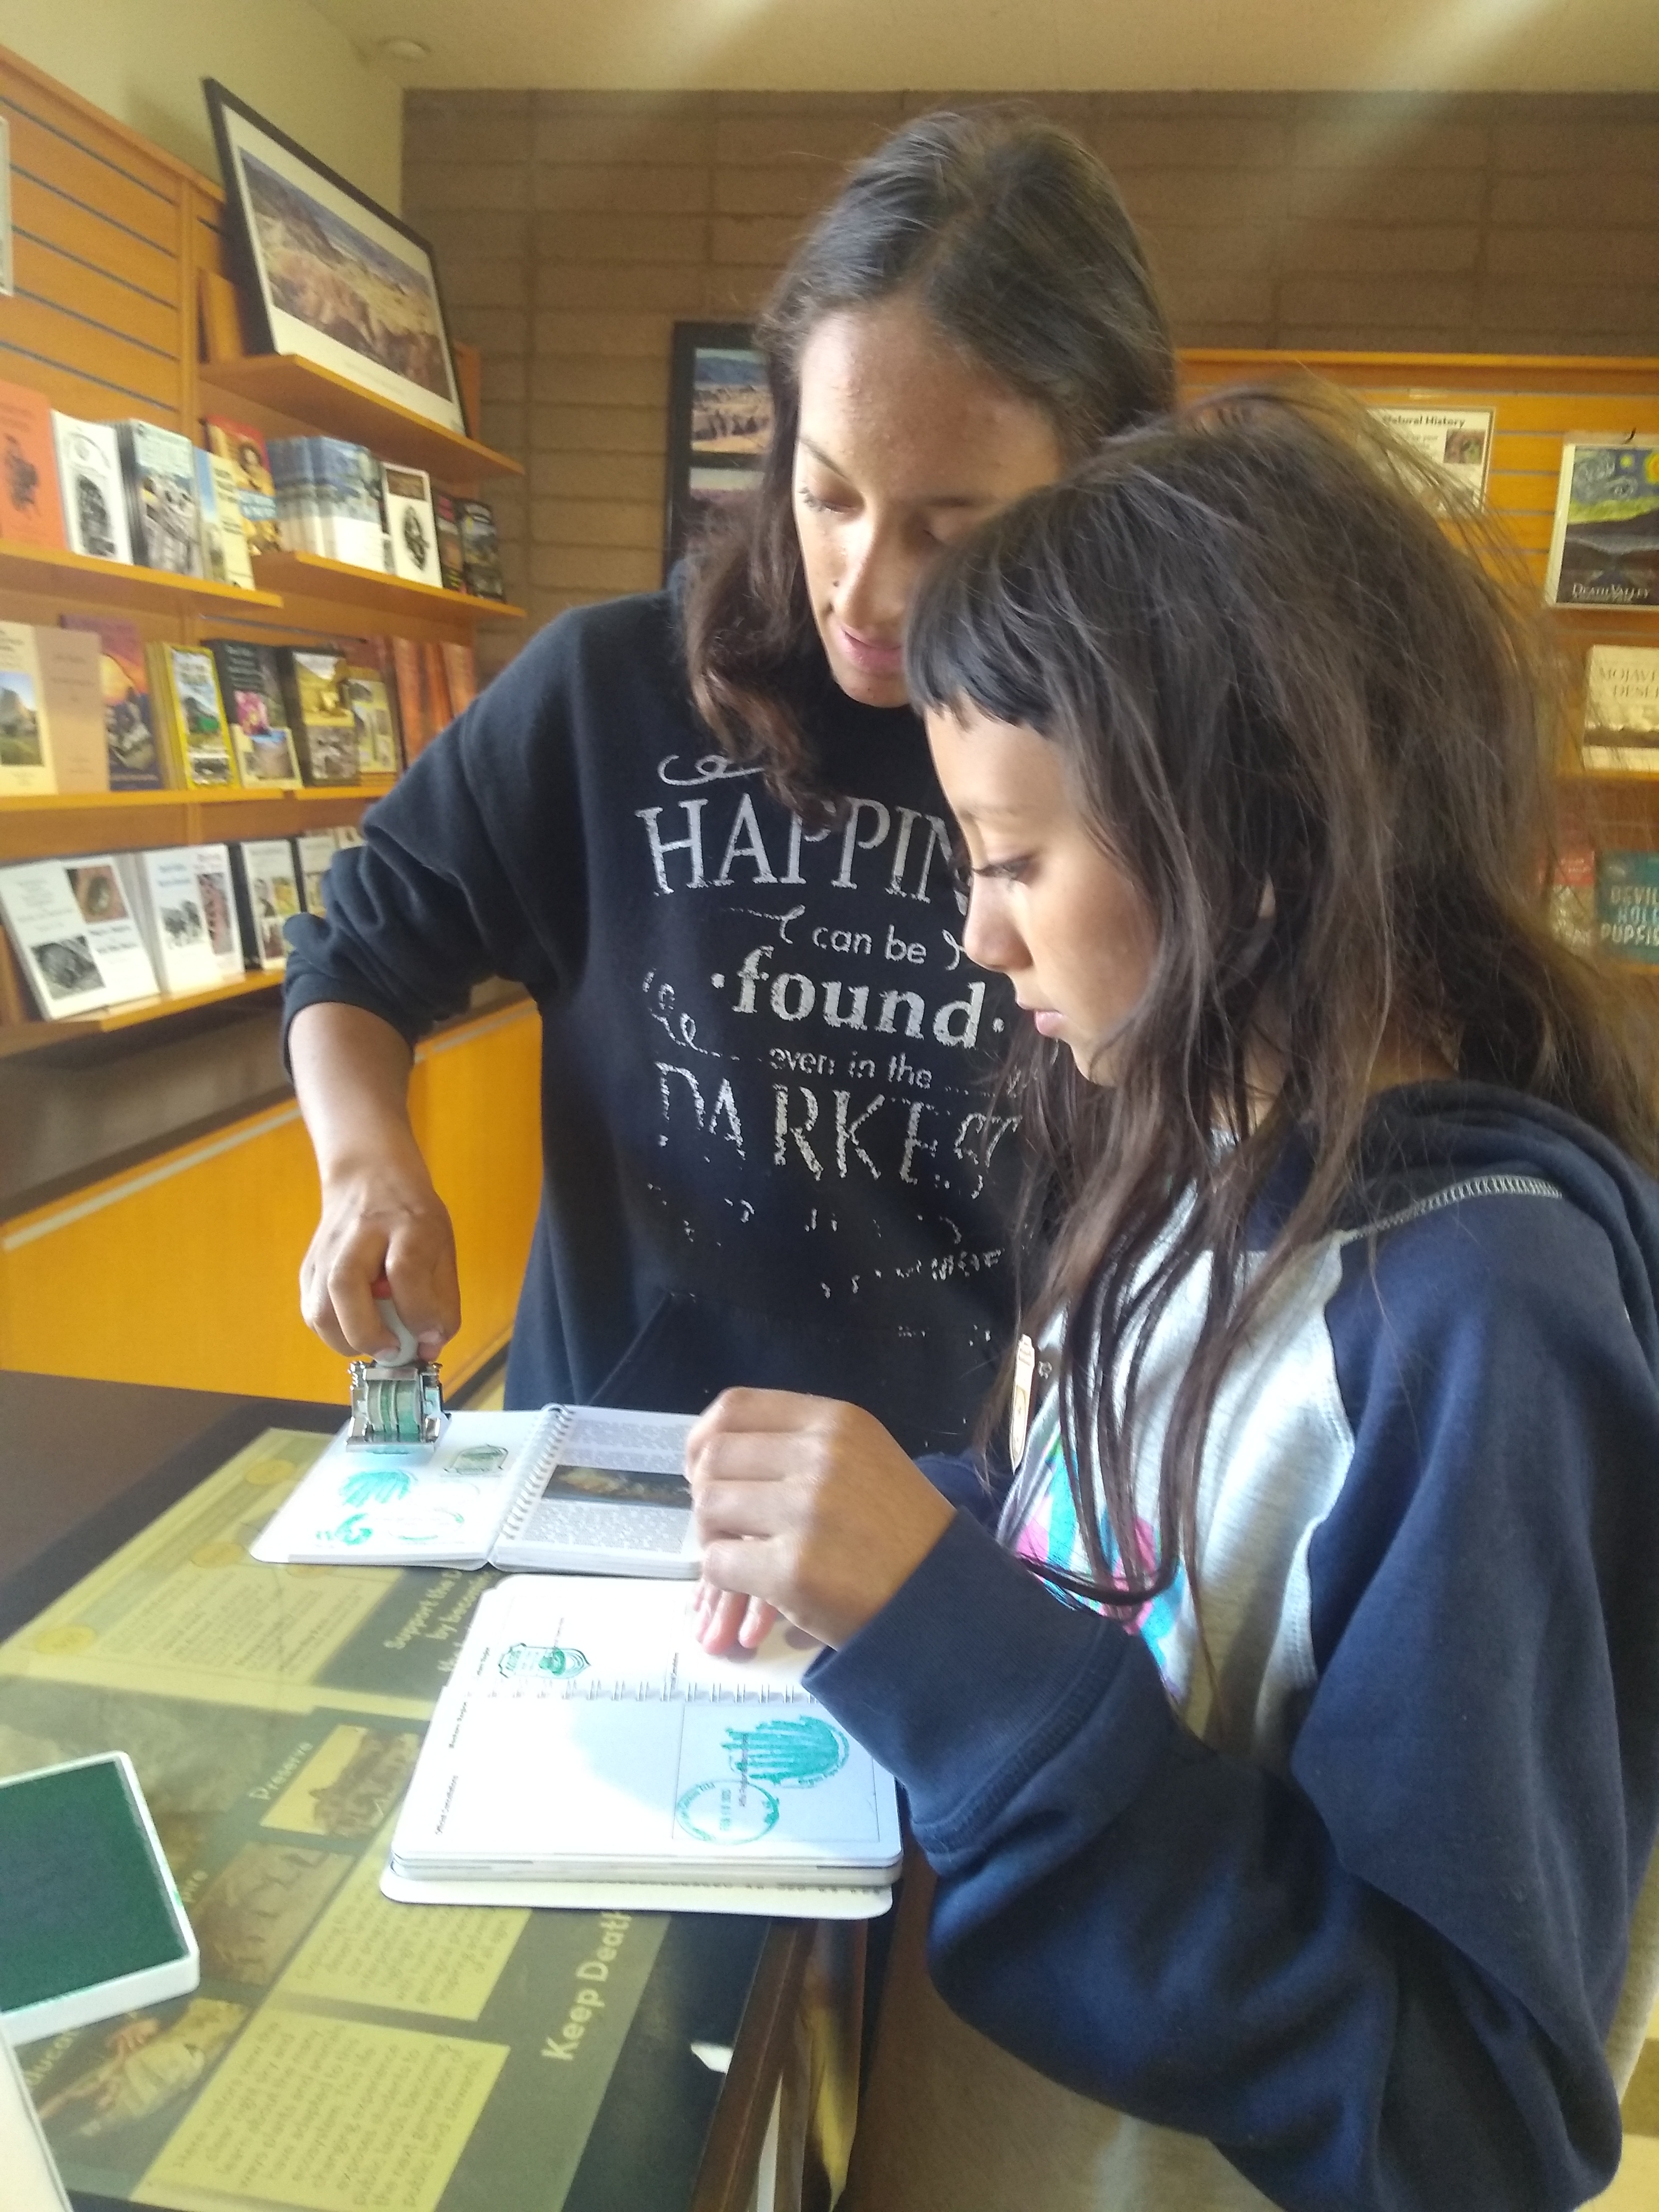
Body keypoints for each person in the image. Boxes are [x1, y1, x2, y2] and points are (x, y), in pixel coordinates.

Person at [685, 388, 1659, 2210]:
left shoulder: (1478, 1333)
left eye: (1013, 861)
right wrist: (897, 1554)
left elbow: (1471, 2127)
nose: (978, 936)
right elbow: (1143, 1583)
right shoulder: (1195, 1152)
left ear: (1253, 847)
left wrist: (949, 1644)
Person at [282, 109, 1174, 1490]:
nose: (865, 591)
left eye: (952, 529)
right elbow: (359, 949)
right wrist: (365, 1166)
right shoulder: (606, 689)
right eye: (830, 495)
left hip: (948, 1501)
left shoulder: (1139, 764)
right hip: (611, 1472)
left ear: (1096, 488)